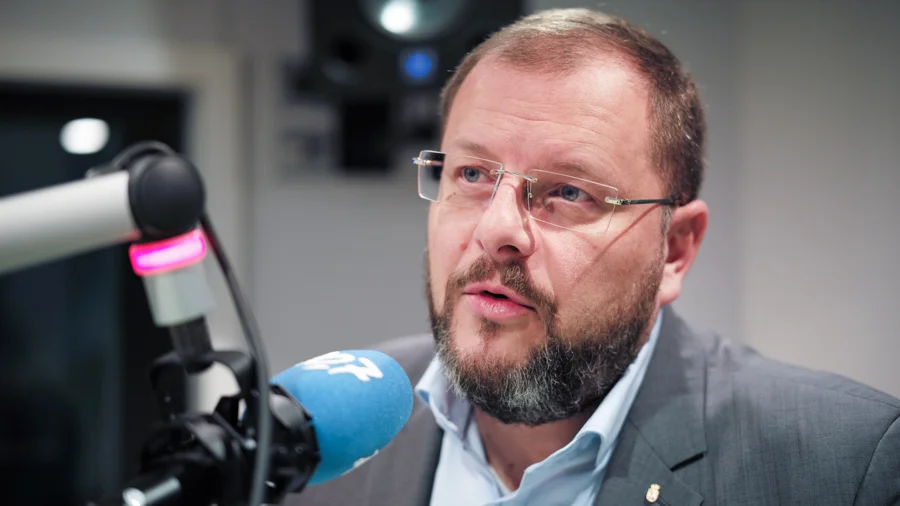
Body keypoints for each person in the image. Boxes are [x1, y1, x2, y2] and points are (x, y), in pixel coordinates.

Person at [290, 8, 900, 506]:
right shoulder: (320, 433)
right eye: (472, 174)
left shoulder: (844, 464)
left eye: (569, 192)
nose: (497, 230)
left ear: (674, 250)